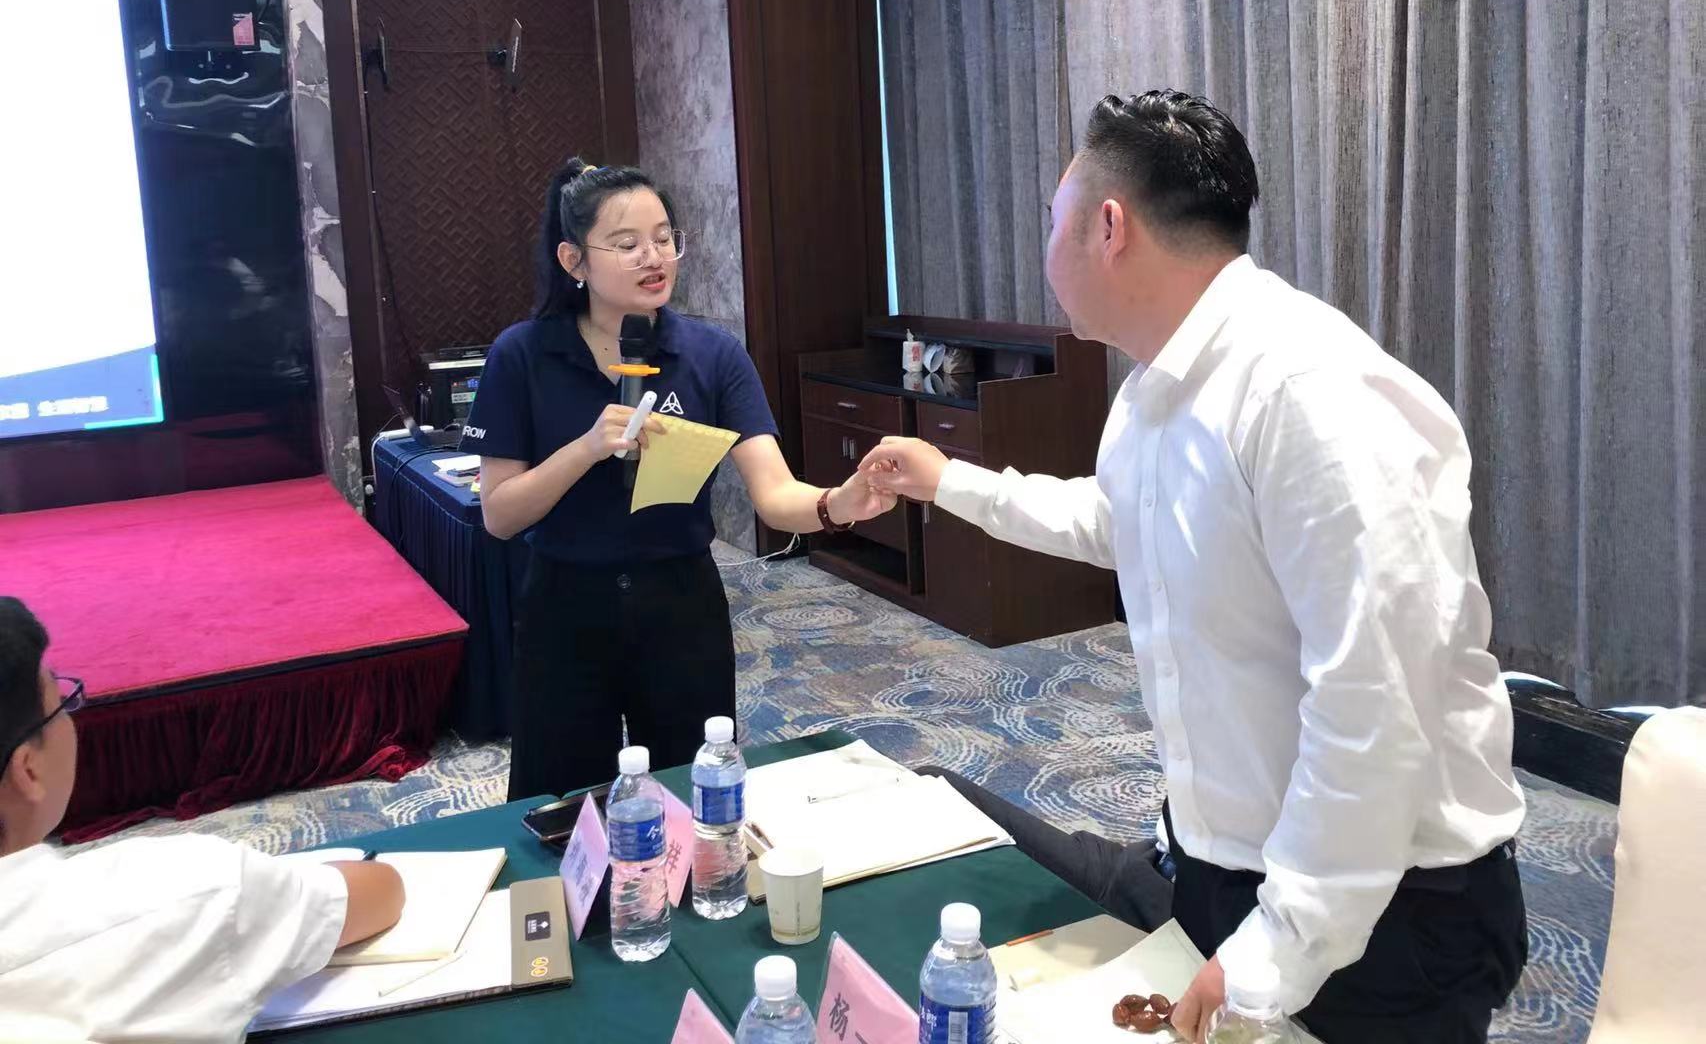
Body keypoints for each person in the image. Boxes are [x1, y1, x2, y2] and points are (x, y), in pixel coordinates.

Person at [862, 91, 1528, 1044]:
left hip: (1386, 914)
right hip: (1228, 865)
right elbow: (1123, 522)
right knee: (945, 821)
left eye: (1052, 220)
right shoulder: (1156, 387)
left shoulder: (1308, 392)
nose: (1044, 248)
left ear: (1108, 226)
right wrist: (951, 482)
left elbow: (1376, 707)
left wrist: (1276, 947)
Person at [463, 158, 895, 801]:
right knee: (559, 805)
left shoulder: (712, 354)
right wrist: (586, 448)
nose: (654, 257)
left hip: (681, 604)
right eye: (627, 243)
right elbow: (499, 515)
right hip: (564, 606)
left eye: (664, 238)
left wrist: (840, 502)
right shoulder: (521, 354)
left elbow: (775, 495)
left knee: (694, 796)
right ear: (574, 260)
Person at [0, 597, 406, 1043]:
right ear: (27, 770)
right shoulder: (183, 887)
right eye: (60, 702)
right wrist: (267, 888)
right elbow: (378, 892)